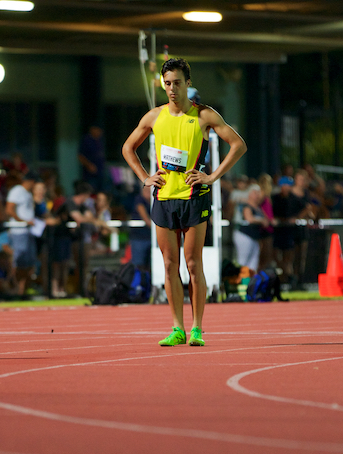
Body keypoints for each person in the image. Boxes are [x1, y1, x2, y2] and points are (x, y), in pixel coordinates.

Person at [122, 57, 247, 346]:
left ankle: (197, 328)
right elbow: (128, 147)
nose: (172, 89)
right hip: (164, 198)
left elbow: (238, 144)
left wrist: (212, 176)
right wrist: (144, 177)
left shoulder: (204, 115)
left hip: (193, 198)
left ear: (188, 83)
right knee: (169, 265)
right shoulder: (154, 116)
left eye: (177, 83)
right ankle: (177, 327)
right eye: (167, 84)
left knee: (193, 264)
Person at [5, 171, 39, 295]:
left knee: (29, 263)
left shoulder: (28, 194)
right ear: (31, 181)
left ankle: (22, 291)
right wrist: (23, 221)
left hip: (29, 231)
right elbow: (9, 210)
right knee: (19, 262)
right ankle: (13, 289)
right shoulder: (17, 190)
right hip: (19, 231)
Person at [233, 183, 265, 271]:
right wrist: (261, 220)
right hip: (244, 235)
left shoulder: (258, 207)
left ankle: (249, 283)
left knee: (253, 262)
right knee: (243, 260)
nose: (257, 195)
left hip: (254, 236)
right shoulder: (245, 205)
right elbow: (249, 218)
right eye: (255, 192)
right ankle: (241, 282)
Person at [78, 125, 106, 192]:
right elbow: (80, 156)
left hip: (100, 172)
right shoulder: (86, 140)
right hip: (90, 174)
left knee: (101, 191)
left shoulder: (100, 141)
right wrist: (89, 165)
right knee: (90, 191)